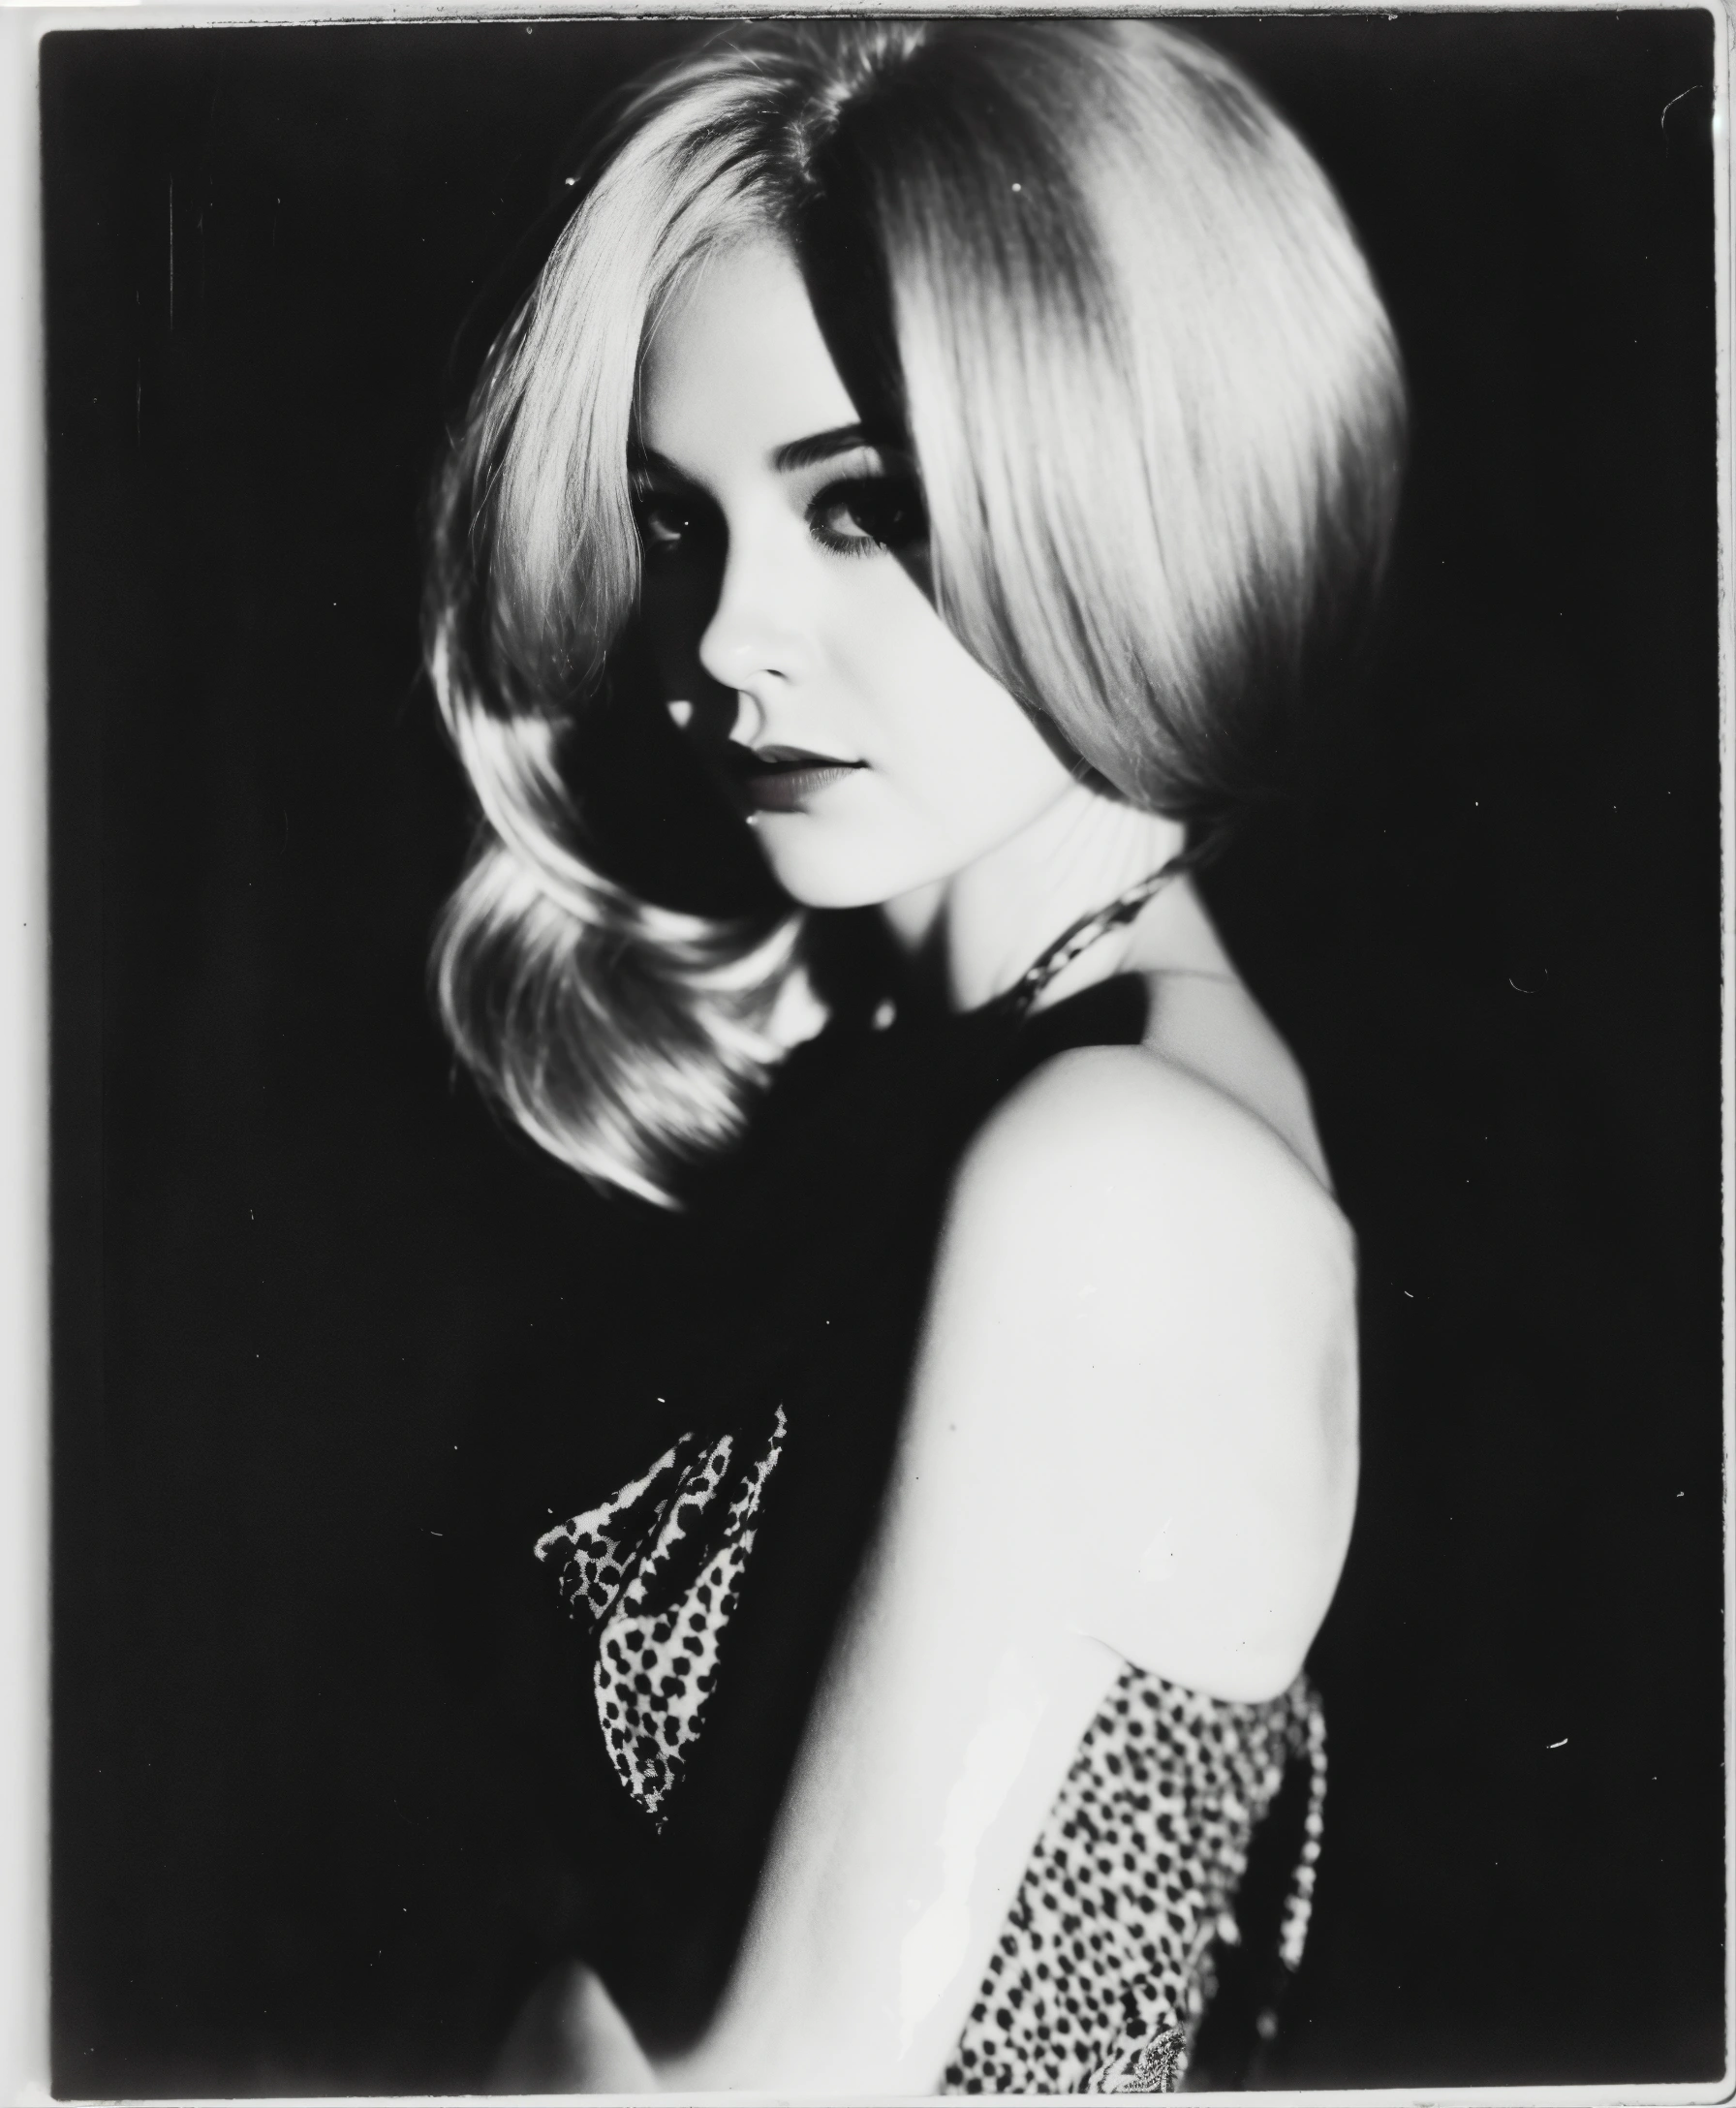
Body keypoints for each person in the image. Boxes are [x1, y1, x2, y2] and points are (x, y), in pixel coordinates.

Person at [423, 18, 1405, 2093]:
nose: (722, 639)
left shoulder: (1116, 1175)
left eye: (858, 508)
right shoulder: (978, 1081)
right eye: (677, 523)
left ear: (1124, 493)